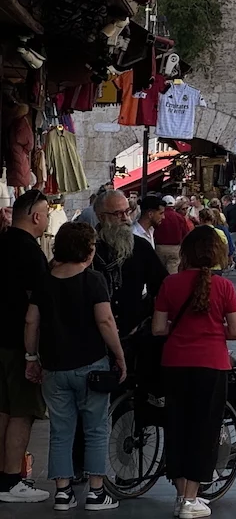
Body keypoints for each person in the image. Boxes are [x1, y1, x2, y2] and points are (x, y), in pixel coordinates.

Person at [23, 221, 125, 512]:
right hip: (91, 365)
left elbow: (31, 321)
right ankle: (96, 492)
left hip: (54, 367)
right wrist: (119, 355)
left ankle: (62, 492)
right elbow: (105, 320)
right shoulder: (93, 280)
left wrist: (31, 358)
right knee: (95, 429)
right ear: (87, 250)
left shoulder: (45, 282)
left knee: (61, 430)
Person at [153, 226, 236, 519]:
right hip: (211, 364)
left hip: (175, 363)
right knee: (203, 431)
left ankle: (181, 496)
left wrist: (180, 328)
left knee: (177, 428)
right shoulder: (224, 287)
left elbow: (158, 328)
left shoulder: (170, 283)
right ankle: (191, 499)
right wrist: (212, 329)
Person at [0, 191, 50, 503]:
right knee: (22, 412)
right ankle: (10, 481)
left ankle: (3, 475)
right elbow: (37, 305)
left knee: (3, 410)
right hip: (19, 343)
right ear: (35, 216)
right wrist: (35, 353)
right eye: (46, 214)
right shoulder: (30, 252)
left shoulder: (1, 242)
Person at [92, 190, 169, 340]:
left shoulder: (140, 246)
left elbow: (161, 286)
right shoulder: (89, 249)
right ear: (102, 217)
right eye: (118, 214)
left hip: (134, 333)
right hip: (96, 334)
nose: (126, 219)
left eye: (127, 212)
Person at [154, 196, 193, 274]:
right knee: (172, 272)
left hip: (159, 247)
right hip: (175, 248)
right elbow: (186, 233)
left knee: (159, 271)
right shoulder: (179, 217)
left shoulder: (158, 216)